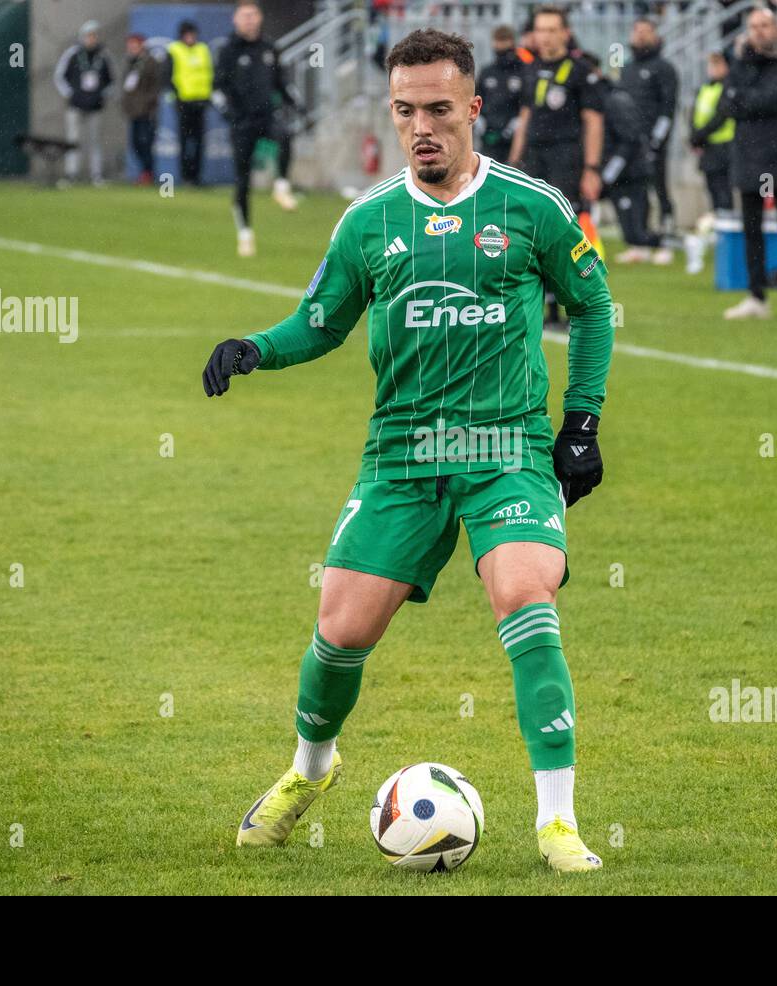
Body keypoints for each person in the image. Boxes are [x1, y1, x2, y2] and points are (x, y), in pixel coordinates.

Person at [201, 28, 614, 874]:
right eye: (404, 111)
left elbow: (596, 307)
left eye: (436, 109)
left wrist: (581, 424)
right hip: (401, 456)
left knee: (525, 594)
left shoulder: (532, 208)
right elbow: (318, 322)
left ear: (473, 109)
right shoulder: (369, 222)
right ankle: (309, 771)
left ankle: (558, 821)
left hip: (507, 451)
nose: (420, 126)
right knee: (339, 630)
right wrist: (256, 347)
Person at [507, 5, 604, 327]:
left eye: (552, 30)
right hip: (534, 158)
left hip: (567, 159)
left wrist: (592, 168)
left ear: (565, 32)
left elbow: (593, 121)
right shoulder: (531, 69)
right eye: (540, 30)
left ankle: (577, 303)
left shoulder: (581, 71)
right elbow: (525, 117)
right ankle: (545, 308)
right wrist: (513, 162)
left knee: (564, 232)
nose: (545, 36)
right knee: (531, 233)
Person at [722, 7, 777, 321]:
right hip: (747, 155)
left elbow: (775, 98)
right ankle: (756, 295)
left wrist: (748, 100)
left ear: (776, 28)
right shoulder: (740, 63)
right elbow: (728, 103)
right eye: (753, 26)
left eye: (765, 25)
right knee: (751, 229)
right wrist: (752, 101)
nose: (759, 31)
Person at [213, 1, 297, 257]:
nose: (249, 20)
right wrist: (226, 111)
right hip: (241, 122)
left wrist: (295, 102)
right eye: (244, 15)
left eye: (253, 15)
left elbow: (281, 82)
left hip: (266, 116)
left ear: (259, 18)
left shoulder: (269, 47)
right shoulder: (228, 50)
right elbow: (216, 87)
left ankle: (281, 187)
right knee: (242, 180)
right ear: (235, 20)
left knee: (284, 135)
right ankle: (245, 232)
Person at [596, 62, 671, 263]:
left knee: (635, 229)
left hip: (632, 171)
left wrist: (610, 172)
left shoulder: (614, 101)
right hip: (624, 170)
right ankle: (643, 248)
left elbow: (629, 140)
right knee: (630, 229)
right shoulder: (605, 98)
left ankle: (666, 243)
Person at [621, 17, 680, 235]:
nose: (640, 35)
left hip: (652, 140)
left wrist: (657, 139)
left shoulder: (664, 68)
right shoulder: (626, 68)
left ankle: (668, 224)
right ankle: (640, 231)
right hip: (629, 140)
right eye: (637, 30)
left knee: (658, 183)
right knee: (636, 187)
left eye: (646, 31)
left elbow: (668, 107)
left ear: (655, 35)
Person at [55, 21, 113, 186]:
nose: (92, 39)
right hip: (75, 105)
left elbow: (111, 80)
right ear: (83, 37)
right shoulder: (72, 54)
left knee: (95, 141)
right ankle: (71, 174)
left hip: (95, 106)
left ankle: (96, 175)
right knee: (73, 140)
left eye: (94, 35)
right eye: (89, 35)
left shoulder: (103, 55)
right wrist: (71, 94)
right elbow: (59, 76)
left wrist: (101, 96)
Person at [689, 50, 736, 214]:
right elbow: (694, 114)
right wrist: (694, 137)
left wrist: (699, 134)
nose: (713, 68)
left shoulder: (728, 87)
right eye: (711, 64)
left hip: (723, 145)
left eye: (718, 64)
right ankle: (717, 225)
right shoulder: (704, 88)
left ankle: (726, 225)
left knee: (723, 190)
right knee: (712, 189)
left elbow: (721, 115)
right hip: (707, 146)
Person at [168, 20, 213, 186]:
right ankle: (185, 176)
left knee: (199, 141)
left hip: (200, 101)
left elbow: (208, 73)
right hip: (184, 102)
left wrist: (208, 97)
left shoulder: (203, 49)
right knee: (185, 141)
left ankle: (197, 177)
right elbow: (168, 77)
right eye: (187, 34)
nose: (191, 37)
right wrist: (176, 98)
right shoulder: (175, 50)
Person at [476, 25, 527, 156]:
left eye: (504, 40)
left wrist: (514, 126)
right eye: (497, 41)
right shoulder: (487, 71)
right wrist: (480, 122)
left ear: (512, 42)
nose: (500, 45)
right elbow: (477, 98)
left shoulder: (524, 71)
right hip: (489, 135)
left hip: (515, 137)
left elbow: (527, 103)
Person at [121, 33, 163, 186]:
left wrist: (148, 103)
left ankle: (148, 173)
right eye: (130, 45)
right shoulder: (130, 62)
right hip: (133, 111)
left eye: (135, 45)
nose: (132, 48)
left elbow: (155, 86)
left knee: (145, 142)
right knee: (135, 144)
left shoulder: (150, 62)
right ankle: (145, 172)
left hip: (146, 110)